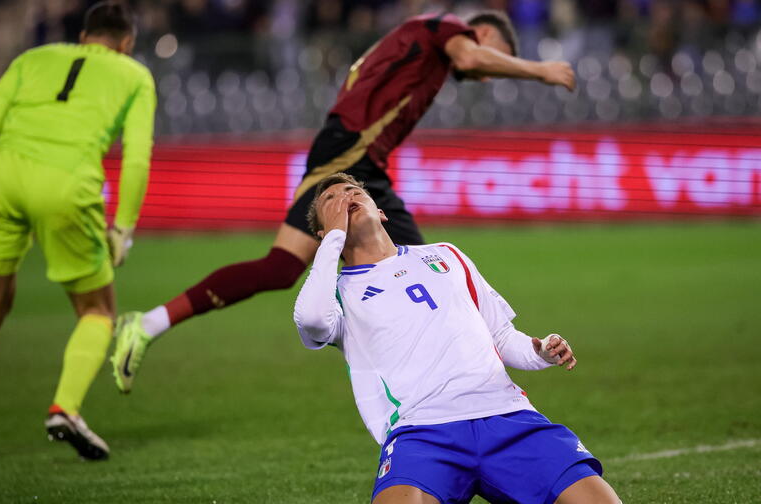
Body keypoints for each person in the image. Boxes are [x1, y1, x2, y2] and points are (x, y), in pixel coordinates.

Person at [110, 9, 575, 393]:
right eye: (499, 58)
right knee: (428, 274)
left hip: (356, 159)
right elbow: (472, 55)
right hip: (350, 154)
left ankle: (146, 324)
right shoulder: (448, 27)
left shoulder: (424, 45)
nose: (486, 76)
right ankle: (479, 396)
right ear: (486, 32)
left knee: (283, 268)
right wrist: (541, 71)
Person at [293, 172, 628, 504]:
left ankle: (520, 497)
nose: (346, 197)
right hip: (423, 431)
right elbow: (312, 321)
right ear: (323, 234)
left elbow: (502, 337)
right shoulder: (337, 293)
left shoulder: (447, 255)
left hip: (506, 417)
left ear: (381, 211)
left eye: (354, 191)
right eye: (331, 201)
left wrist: (539, 351)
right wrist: (334, 240)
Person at [0, 2, 156, 467]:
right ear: (126, 43)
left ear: (85, 34)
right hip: (65, 186)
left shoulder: (32, 58)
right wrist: (123, 226)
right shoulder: (134, 75)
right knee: (97, 309)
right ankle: (64, 407)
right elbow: (136, 158)